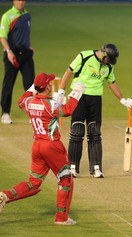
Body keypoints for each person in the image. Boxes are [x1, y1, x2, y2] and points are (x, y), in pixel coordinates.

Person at [0, 72, 85, 225]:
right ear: (46, 87)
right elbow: (68, 110)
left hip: (37, 147)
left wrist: (32, 88)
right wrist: (77, 93)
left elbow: (21, 100)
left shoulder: (29, 101)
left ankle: (5, 195)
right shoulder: (50, 104)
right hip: (52, 146)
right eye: (50, 83)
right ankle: (61, 218)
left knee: (34, 183)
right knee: (66, 179)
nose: (52, 84)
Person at [55, 43, 132, 178]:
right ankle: (72, 167)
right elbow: (69, 72)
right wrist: (61, 92)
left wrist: (123, 100)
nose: (109, 63)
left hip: (96, 100)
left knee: (94, 131)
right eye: (108, 59)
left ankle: (96, 167)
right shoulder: (84, 56)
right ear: (104, 54)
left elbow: (112, 83)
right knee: (77, 131)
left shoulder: (108, 66)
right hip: (78, 97)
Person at [0, 0, 35, 124]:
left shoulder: (27, 15)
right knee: (8, 84)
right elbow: (2, 37)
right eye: (18, 0)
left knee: (31, 85)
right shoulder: (8, 16)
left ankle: (33, 114)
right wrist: (9, 51)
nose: (21, 2)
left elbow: (25, 34)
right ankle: (5, 113)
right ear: (14, 1)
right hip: (12, 54)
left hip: (25, 54)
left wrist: (29, 46)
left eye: (23, 0)